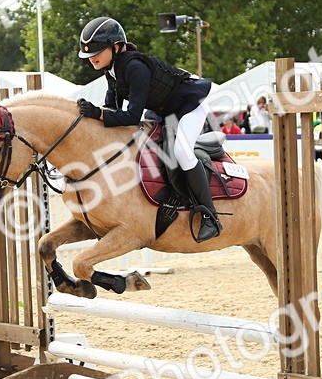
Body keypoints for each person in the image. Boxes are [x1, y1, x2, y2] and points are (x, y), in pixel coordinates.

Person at [75, 16, 222, 241]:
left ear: (116, 47)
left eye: (97, 52)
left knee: (181, 152)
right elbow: (111, 109)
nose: (91, 58)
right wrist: (93, 115)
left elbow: (132, 116)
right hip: (165, 111)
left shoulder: (135, 67)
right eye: (89, 54)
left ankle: (210, 217)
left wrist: (98, 113)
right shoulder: (112, 71)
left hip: (190, 104)